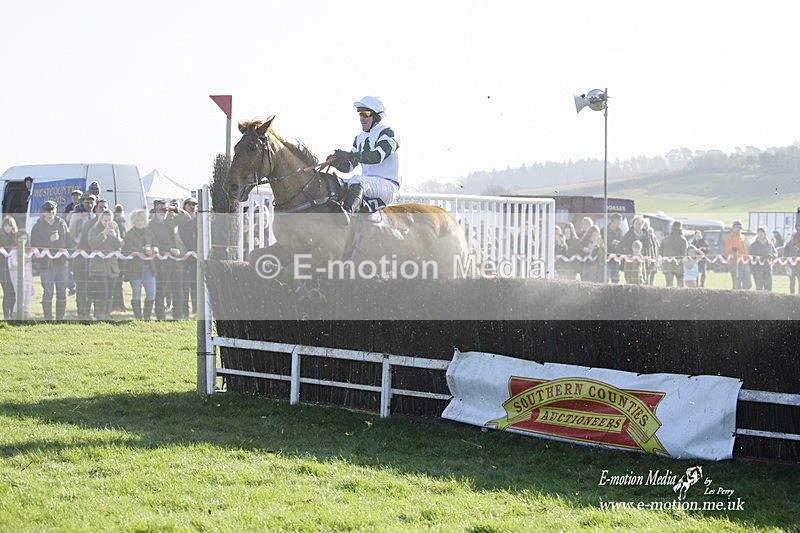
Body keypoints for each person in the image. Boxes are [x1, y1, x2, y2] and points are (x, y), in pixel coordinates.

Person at [328, 96, 400, 225]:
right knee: (334, 181)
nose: (362, 118)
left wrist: (351, 156)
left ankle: (346, 213)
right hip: (367, 184)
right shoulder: (359, 138)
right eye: (360, 115)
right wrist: (335, 162)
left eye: (365, 114)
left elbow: (376, 157)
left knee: (356, 180)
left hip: (387, 186)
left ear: (377, 116)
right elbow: (349, 167)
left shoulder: (388, 133)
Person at [30, 200, 73, 320]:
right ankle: (47, 318)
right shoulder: (38, 226)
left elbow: (69, 240)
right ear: (44, 212)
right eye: (48, 210)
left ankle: (60, 318)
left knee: (62, 292)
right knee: (48, 291)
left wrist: (69, 256)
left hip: (62, 263)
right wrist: (49, 240)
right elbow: (34, 245)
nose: (51, 212)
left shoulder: (62, 223)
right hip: (46, 264)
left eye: (53, 209)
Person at [149, 199, 191, 320]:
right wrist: (169, 249)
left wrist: (175, 209)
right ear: (155, 209)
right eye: (161, 209)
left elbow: (186, 217)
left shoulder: (171, 220)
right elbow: (153, 242)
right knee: (161, 290)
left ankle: (177, 315)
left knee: (178, 290)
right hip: (162, 261)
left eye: (165, 209)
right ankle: (160, 315)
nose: (164, 212)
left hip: (176, 260)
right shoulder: (151, 224)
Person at [122, 210, 159, 319]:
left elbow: (157, 246)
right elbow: (125, 249)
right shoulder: (129, 234)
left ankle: (147, 317)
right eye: (137, 220)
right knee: (136, 293)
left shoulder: (149, 232)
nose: (139, 222)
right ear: (133, 221)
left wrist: (153, 250)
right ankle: (138, 316)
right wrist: (141, 250)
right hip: (135, 267)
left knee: (151, 293)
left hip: (150, 267)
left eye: (141, 220)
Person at [88, 210, 123, 320]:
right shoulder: (94, 229)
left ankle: (107, 314)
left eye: (110, 220)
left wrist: (115, 236)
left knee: (110, 293)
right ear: (101, 219)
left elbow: (121, 244)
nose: (108, 223)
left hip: (112, 267)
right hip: (98, 266)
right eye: (105, 220)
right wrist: (103, 234)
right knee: (103, 291)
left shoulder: (115, 229)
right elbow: (92, 244)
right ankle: (100, 315)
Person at [68, 194, 98, 319]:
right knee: (81, 284)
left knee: (93, 284)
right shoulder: (77, 215)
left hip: (94, 254)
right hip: (80, 254)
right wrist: (76, 220)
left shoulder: (97, 217)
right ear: (82, 202)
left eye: (92, 202)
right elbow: (71, 235)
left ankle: (90, 311)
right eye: (87, 202)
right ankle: (81, 312)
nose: (90, 205)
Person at [620, 216, 658, 286]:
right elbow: (621, 247)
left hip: (646, 263)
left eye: (639, 224)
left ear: (643, 225)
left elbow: (651, 249)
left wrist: (653, 262)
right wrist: (630, 254)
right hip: (631, 264)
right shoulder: (628, 235)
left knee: (646, 283)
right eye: (636, 224)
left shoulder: (647, 236)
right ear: (633, 225)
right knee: (632, 284)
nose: (638, 226)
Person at [177, 197, 198, 317]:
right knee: (185, 286)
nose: (192, 206)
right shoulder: (181, 221)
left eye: (194, 204)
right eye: (189, 204)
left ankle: (197, 310)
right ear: (185, 206)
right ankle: (184, 312)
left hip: (198, 257)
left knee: (197, 286)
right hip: (185, 257)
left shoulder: (200, 221)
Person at [8, 229, 34, 315]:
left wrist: (31, 282)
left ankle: (25, 317)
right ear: (17, 239)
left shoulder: (27, 252)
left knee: (27, 299)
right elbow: (12, 265)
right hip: (18, 279)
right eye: (21, 238)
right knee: (20, 298)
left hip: (28, 279)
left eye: (25, 239)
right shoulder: (13, 252)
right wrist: (23, 261)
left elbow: (30, 269)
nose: (23, 241)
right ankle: (16, 316)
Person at [724, 220, 751, 290]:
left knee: (748, 284)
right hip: (735, 264)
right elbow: (727, 251)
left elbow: (746, 249)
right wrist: (733, 249)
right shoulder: (730, 237)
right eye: (736, 227)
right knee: (737, 284)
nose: (738, 229)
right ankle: (736, 298)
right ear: (733, 228)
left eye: (740, 227)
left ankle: (744, 297)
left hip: (744, 263)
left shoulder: (743, 237)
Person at [110, 203, 128, 312]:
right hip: (119, 255)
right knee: (117, 282)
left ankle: (118, 304)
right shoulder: (121, 222)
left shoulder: (118, 221)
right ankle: (117, 304)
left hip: (119, 255)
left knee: (117, 281)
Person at [660, 220, 688, 287]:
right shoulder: (683, 240)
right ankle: (680, 297)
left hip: (667, 264)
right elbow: (684, 254)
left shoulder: (665, 240)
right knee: (680, 285)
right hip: (679, 265)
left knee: (669, 285)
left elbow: (660, 251)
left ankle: (669, 297)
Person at [749, 225, 778, 291]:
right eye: (759, 233)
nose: (760, 235)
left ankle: (768, 301)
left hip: (768, 268)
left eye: (762, 233)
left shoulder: (770, 243)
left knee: (768, 288)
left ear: (765, 234)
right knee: (759, 288)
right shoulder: (753, 245)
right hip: (757, 269)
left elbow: (776, 253)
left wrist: (771, 255)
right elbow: (750, 257)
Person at [1, 216, 18, 319]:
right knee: (7, 292)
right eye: (6, 225)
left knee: (13, 292)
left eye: (10, 225)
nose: (7, 228)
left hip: (13, 268)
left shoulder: (16, 237)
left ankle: (12, 313)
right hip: (2, 269)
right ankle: (6, 315)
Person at [605, 213, 624, 283]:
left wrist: (618, 243)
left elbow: (622, 242)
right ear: (615, 220)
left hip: (616, 259)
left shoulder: (620, 231)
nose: (621, 222)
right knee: (606, 278)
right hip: (606, 258)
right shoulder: (604, 230)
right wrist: (610, 243)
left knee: (616, 279)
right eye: (620, 220)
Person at [785, 228, 800, 294]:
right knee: (792, 282)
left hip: (799, 267)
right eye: (793, 236)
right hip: (791, 267)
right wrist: (786, 266)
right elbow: (785, 256)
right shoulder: (788, 245)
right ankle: (792, 295)